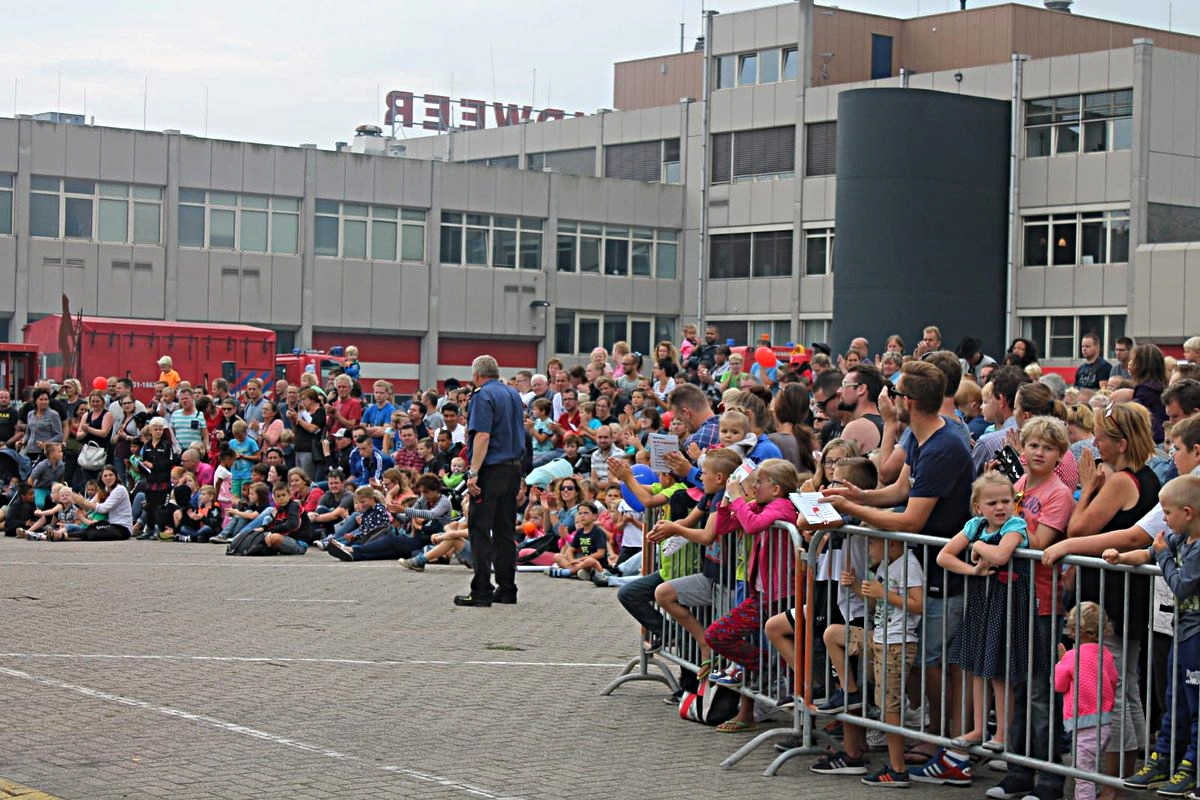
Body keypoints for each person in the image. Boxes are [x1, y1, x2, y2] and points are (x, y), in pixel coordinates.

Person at [823, 360, 975, 784]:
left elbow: (911, 519)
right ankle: (937, 740)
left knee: (938, 663)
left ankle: (952, 748)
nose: (888, 397)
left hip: (945, 573)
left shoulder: (945, 445)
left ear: (909, 401)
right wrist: (861, 493)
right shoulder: (922, 435)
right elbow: (900, 489)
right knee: (928, 661)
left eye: (894, 391)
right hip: (927, 568)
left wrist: (853, 508)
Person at [1105, 475, 1200, 796]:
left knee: (1195, 704)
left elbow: (1182, 585)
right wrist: (1120, 557)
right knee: (1173, 700)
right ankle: (1165, 758)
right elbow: (1147, 552)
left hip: (1196, 636)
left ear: (1187, 513)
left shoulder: (1197, 547)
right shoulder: (1179, 538)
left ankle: (1192, 765)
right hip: (1181, 632)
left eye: (1167, 512)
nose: (1164, 518)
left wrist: (1160, 555)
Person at [812, 534, 924, 787]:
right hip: (879, 637)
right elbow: (874, 603)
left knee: (889, 708)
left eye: (872, 543)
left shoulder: (909, 564)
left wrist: (882, 591)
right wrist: (855, 587)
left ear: (892, 543)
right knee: (833, 633)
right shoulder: (884, 565)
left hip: (898, 643)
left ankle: (898, 769)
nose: (868, 548)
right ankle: (850, 691)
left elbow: (919, 605)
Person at [936, 472, 1034, 752]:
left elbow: (1001, 555)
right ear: (978, 506)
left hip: (1009, 603)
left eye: (1006, 500)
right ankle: (978, 728)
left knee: (1000, 672)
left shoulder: (1015, 525)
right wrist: (973, 570)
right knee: (978, 668)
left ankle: (1002, 734)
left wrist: (977, 546)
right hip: (982, 602)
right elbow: (944, 556)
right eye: (992, 503)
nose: (1000, 507)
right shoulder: (975, 525)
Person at [704, 458, 800, 734]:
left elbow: (752, 525)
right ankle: (762, 665)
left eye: (760, 482)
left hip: (783, 596)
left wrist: (736, 497)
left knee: (793, 665)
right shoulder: (763, 504)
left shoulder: (782, 506)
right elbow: (724, 528)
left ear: (776, 488)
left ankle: (798, 728)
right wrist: (727, 500)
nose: (754, 487)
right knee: (717, 634)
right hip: (761, 596)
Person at [455, 354, 525, 608]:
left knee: (480, 529)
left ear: (476, 375)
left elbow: (482, 436)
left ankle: (482, 589)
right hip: (512, 468)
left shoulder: (482, 395)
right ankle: (507, 588)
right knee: (505, 531)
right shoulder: (513, 395)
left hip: (491, 469)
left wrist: (473, 472)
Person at [1055, 602, 1119, 800]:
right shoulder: (1106, 654)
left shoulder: (1072, 656)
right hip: (1105, 722)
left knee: (1083, 776)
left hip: (1083, 724)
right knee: (1090, 769)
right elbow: (1113, 680)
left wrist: (1061, 661)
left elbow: (1059, 685)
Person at [72, 465, 135, 540]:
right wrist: (79, 501)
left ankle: (63, 536)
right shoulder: (104, 490)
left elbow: (104, 508)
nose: (108, 478)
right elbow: (89, 507)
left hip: (122, 528)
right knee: (89, 529)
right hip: (110, 525)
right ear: (101, 478)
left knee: (92, 533)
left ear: (116, 477)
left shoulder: (120, 489)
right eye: (105, 476)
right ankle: (61, 535)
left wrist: (84, 502)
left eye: (111, 475)